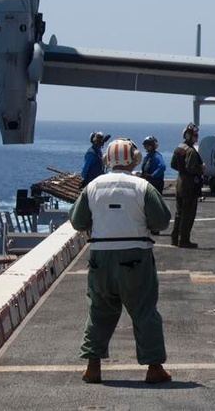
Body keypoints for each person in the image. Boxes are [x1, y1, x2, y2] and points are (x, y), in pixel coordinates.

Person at [68, 138, 173, 385]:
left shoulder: (93, 186)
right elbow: (161, 221)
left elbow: (77, 221)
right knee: (144, 311)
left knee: (99, 311)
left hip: (100, 257)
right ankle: (153, 367)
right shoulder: (141, 186)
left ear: (108, 160)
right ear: (133, 159)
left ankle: (92, 367)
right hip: (136, 256)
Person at [170, 122, 204, 249]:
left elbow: (173, 165)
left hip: (180, 182)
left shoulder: (179, 148)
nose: (197, 137)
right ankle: (184, 240)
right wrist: (201, 168)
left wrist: (182, 170)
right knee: (188, 214)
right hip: (189, 185)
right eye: (195, 135)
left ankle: (174, 238)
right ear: (190, 136)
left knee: (179, 213)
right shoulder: (191, 151)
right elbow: (191, 168)